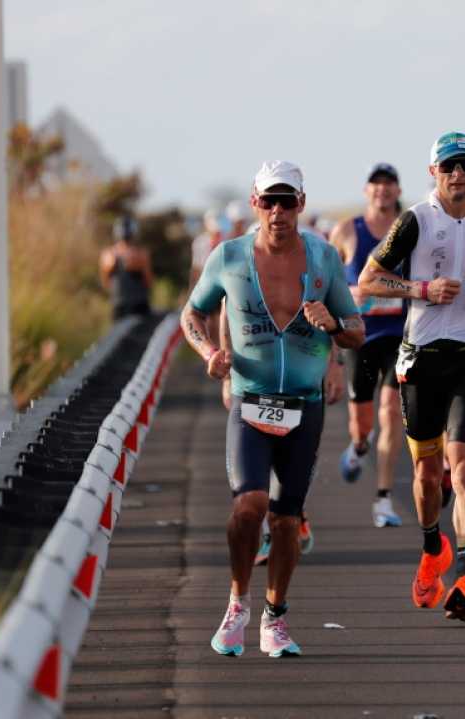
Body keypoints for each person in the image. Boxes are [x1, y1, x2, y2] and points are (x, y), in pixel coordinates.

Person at [181, 160, 364, 658]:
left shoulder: (324, 259)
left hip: (303, 406)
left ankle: (275, 617)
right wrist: (209, 354)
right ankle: (237, 604)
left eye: (288, 201)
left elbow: (357, 330)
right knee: (249, 506)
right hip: (250, 400)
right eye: (269, 201)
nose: (278, 211)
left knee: (286, 520)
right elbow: (191, 312)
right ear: (254, 202)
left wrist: (330, 326)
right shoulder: (230, 257)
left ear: (301, 204)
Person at [357, 131, 465, 622]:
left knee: (464, 471)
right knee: (425, 475)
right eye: (449, 167)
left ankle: (464, 576)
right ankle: (431, 548)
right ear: (433, 173)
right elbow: (368, 279)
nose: (458, 175)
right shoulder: (415, 220)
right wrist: (420, 288)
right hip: (420, 359)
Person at [329, 162, 407, 528]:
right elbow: (325, 280)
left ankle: (384, 498)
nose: (383, 190)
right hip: (358, 336)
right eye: (376, 184)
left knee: (391, 410)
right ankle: (359, 447)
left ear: (397, 190)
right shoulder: (347, 230)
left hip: (399, 333)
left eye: (389, 184)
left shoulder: (410, 228)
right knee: (362, 426)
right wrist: (355, 292)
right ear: (367, 191)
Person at [100, 216, 154, 320]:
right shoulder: (141, 254)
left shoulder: (107, 255)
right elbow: (148, 281)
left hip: (118, 306)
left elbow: (106, 283)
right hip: (139, 307)